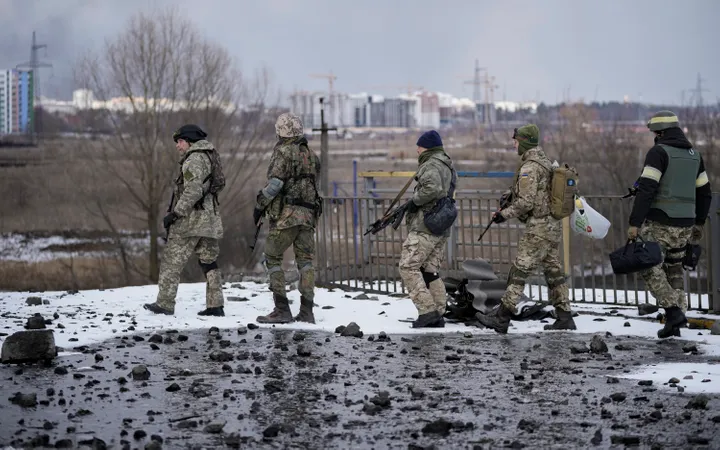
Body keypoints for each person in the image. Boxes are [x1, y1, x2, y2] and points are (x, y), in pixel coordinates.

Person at [476, 124, 575, 333]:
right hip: (552, 226)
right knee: (553, 271)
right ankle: (565, 316)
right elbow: (538, 194)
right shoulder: (545, 162)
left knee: (519, 271)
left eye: (516, 140)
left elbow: (527, 202)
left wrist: (504, 214)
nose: (514, 144)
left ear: (525, 141)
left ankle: (502, 318)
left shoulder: (530, 166)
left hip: (538, 228)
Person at [628, 110, 712, 338]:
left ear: (661, 132)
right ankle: (677, 321)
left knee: (647, 265)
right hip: (686, 224)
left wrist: (635, 223)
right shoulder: (695, 155)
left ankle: (673, 311)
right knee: (674, 269)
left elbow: (647, 189)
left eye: (655, 133)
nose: (654, 136)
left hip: (660, 222)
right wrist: (699, 223)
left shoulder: (658, 152)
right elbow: (705, 193)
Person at [144, 124, 226, 317]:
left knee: (171, 261)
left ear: (189, 141)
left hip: (190, 221)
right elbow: (219, 184)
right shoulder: (210, 156)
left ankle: (164, 304)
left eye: (179, 142)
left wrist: (176, 213)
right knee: (209, 263)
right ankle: (216, 306)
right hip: (210, 220)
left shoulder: (194, 159)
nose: (177, 146)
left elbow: (193, 190)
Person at [253, 113, 322, 324]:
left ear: (281, 130)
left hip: (287, 217)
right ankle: (307, 311)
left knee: (272, 257)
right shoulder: (312, 155)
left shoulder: (282, 152)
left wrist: (259, 205)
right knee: (306, 262)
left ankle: (282, 309)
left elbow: (275, 184)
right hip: (308, 217)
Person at [398, 130, 455, 328]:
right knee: (430, 270)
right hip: (441, 225)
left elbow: (432, 189)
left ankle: (427, 311)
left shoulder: (431, 164)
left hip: (426, 225)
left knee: (408, 267)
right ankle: (438, 312)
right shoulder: (447, 164)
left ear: (428, 147)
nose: (417, 150)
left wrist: (414, 200)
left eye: (419, 146)